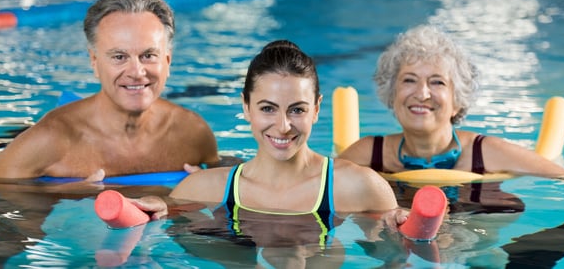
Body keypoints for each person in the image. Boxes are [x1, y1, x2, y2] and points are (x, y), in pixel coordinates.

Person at [128, 40, 408, 267]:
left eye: (297, 109)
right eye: (267, 108)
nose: (283, 126)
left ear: (317, 109)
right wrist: (160, 206)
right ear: (246, 107)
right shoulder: (206, 187)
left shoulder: (359, 186)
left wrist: (405, 233)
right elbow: (168, 222)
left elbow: (393, 259)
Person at [0, 0, 229, 179]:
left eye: (148, 55)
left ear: (167, 61)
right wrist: (61, 191)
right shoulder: (52, 139)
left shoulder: (192, 132)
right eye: (119, 57)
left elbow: (230, 181)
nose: (137, 72)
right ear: (95, 62)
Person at [338, 24, 564, 181]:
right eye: (409, 80)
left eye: (437, 82)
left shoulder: (485, 152)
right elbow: (314, 184)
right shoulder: (369, 154)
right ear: (391, 93)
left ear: (458, 101)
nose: (422, 93)